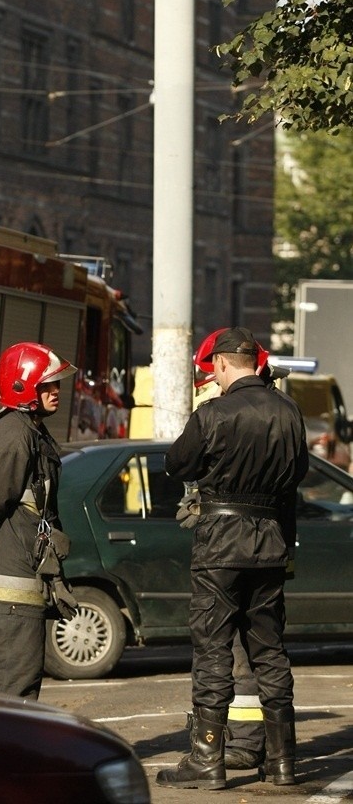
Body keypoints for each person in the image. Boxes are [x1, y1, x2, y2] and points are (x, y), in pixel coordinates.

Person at [156, 326, 309, 790]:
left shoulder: (212, 413)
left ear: (221, 363)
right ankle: (283, 762)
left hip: (220, 544)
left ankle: (207, 758)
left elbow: (177, 464)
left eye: (213, 370)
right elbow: (298, 472)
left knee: (213, 650)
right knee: (269, 651)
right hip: (271, 543)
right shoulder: (289, 412)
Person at [0, 341, 77, 700]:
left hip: (23, 574)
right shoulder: (16, 435)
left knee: (20, 681)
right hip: (14, 580)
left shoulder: (27, 430)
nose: (56, 391)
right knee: (12, 687)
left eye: (56, 383)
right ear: (22, 385)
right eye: (47, 384)